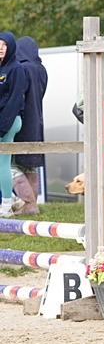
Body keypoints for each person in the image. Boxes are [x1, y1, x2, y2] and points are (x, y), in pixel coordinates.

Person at [12, 37, 48, 214]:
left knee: (11, 165)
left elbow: (18, 97)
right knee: (29, 165)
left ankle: (29, 203)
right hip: (37, 121)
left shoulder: (22, 69)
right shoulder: (41, 70)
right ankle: (32, 205)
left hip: (22, 122)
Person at [0, 32, 30, 216]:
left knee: (3, 162)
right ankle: (10, 197)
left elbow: (15, 100)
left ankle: (5, 203)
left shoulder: (16, 69)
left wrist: (3, 126)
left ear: (10, 47)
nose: (0, 49)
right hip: (1, 121)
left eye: (4, 45)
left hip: (9, 121)